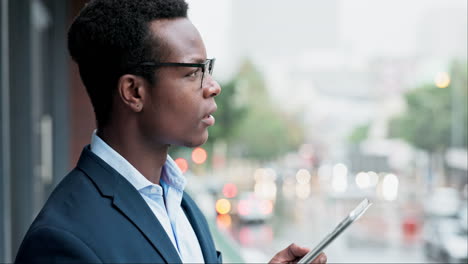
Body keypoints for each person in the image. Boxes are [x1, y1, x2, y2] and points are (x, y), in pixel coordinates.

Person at [15, 0, 327, 263]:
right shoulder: (62, 241)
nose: (213, 86)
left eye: (208, 69)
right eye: (193, 72)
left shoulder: (182, 204)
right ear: (134, 92)